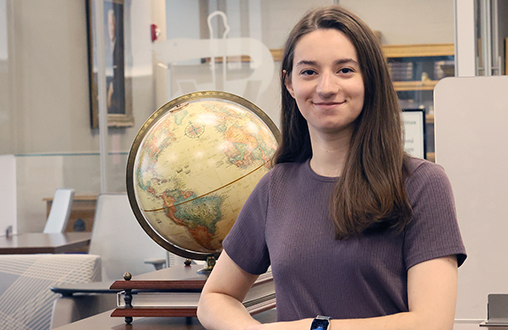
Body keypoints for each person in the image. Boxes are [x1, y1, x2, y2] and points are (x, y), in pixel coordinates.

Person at [197, 5, 466, 330]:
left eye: (345, 70)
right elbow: (215, 297)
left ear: (370, 79)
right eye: (309, 72)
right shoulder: (274, 187)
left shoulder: (421, 184)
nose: (326, 87)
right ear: (290, 83)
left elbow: (432, 324)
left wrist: (315, 328)